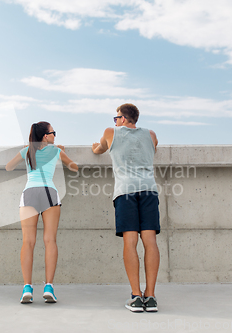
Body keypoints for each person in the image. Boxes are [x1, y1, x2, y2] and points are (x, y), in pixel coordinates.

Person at [92, 103, 160, 312]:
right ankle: (151, 296)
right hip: (149, 189)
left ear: (122, 118)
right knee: (150, 241)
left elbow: (100, 149)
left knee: (130, 242)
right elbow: (150, 150)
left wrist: (95, 146)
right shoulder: (151, 134)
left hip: (126, 191)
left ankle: (136, 296)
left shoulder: (110, 132)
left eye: (116, 118)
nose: (114, 121)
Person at [6, 121, 78, 304]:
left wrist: (26, 150)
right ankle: (49, 287)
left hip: (29, 193)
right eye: (53, 132)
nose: (55, 135)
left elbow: (9, 167)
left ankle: (27, 288)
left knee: (28, 242)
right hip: (49, 193)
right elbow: (74, 167)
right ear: (46, 136)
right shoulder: (56, 151)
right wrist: (62, 152)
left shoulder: (28, 151)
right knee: (50, 240)